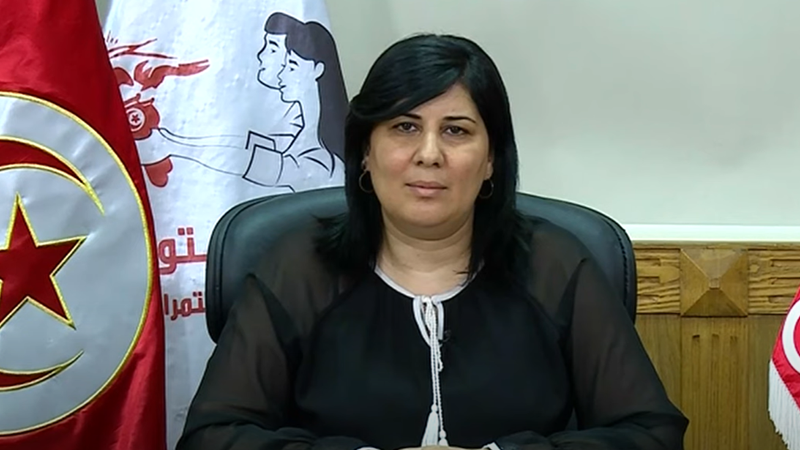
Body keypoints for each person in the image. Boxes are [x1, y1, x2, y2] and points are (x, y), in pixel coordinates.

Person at [177, 33, 688, 450]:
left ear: (491, 160)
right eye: (404, 127)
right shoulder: (300, 269)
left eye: (456, 131)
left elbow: (651, 433)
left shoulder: (554, 267)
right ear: (365, 152)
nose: (429, 154)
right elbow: (212, 435)